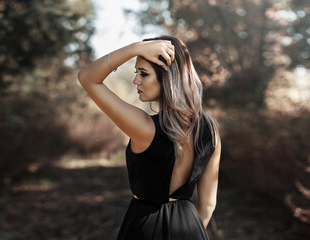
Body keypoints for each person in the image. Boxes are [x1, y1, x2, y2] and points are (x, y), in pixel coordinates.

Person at [77, 35, 222, 240]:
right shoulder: (211, 129)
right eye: (136, 72)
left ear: (167, 77)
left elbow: (87, 78)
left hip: (146, 228)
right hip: (191, 229)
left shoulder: (145, 129)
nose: (136, 80)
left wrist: (134, 48)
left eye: (143, 74)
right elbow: (208, 205)